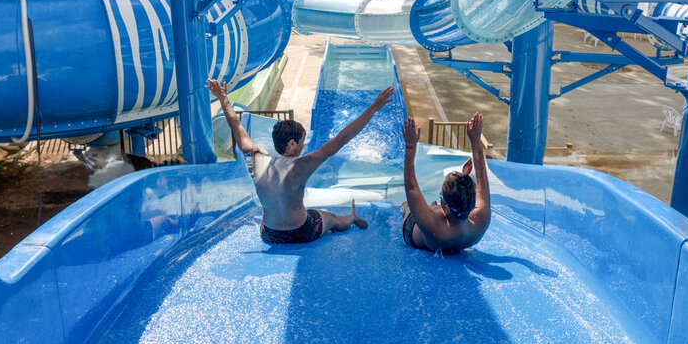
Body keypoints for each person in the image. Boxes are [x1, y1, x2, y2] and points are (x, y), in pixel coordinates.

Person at [206, 78, 396, 245]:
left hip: (270, 234)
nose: (304, 147)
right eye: (302, 142)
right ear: (291, 143)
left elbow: (235, 125)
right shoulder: (302, 165)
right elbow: (341, 139)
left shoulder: (256, 159)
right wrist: (373, 108)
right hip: (302, 232)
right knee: (329, 218)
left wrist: (223, 98)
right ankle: (351, 218)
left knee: (274, 211)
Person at [399, 112, 491, 253]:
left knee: (408, 206)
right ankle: (457, 189)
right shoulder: (480, 221)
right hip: (453, 218)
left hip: (412, 228)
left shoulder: (433, 227)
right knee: (443, 205)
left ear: (446, 207)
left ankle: (407, 208)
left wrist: (410, 146)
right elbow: (483, 183)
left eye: (441, 195)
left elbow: (411, 188)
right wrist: (475, 141)